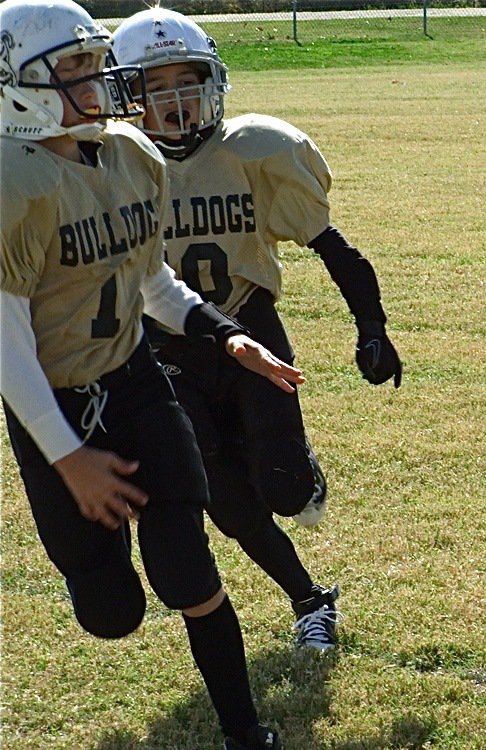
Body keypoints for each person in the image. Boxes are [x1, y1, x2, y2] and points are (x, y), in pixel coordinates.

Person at [0, 0, 294, 750]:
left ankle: (246, 741)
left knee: (185, 567)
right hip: (53, 405)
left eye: (94, 62)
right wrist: (68, 457)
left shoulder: (132, 154)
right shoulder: (10, 183)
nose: (96, 81)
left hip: (135, 382)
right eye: (72, 69)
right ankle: (98, 576)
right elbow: (7, 350)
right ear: (14, 85)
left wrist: (229, 338)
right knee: (112, 613)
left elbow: (152, 280)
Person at [110, 8, 403, 651]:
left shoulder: (253, 150)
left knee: (284, 488)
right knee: (224, 498)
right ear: (127, 96)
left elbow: (334, 248)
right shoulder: (110, 168)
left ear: (212, 83)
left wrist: (372, 326)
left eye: (187, 83)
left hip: (249, 324)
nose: (176, 103)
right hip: (165, 347)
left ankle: (295, 469)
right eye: (156, 88)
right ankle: (310, 600)